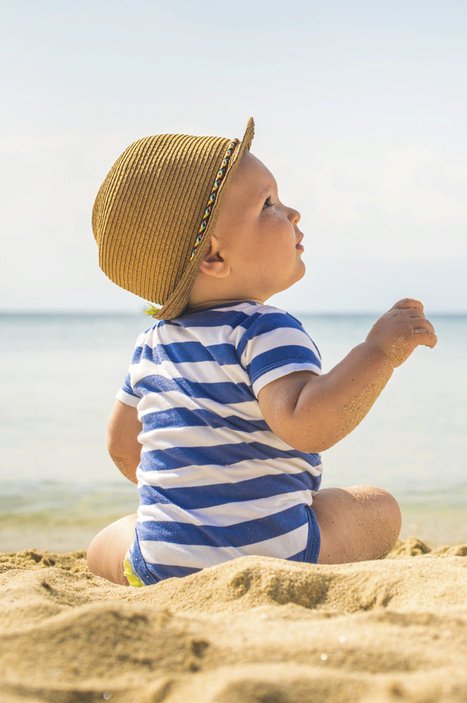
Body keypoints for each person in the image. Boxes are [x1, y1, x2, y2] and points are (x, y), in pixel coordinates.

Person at [86, 117, 436, 586]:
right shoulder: (263, 327)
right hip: (277, 554)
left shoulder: (152, 343)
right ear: (214, 257)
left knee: (107, 542)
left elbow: (122, 447)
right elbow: (308, 423)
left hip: (165, 563)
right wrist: (378, 352)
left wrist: (196, 501)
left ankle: (155, 557)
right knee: (378, 508)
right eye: (268, 204)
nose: (292, 213)